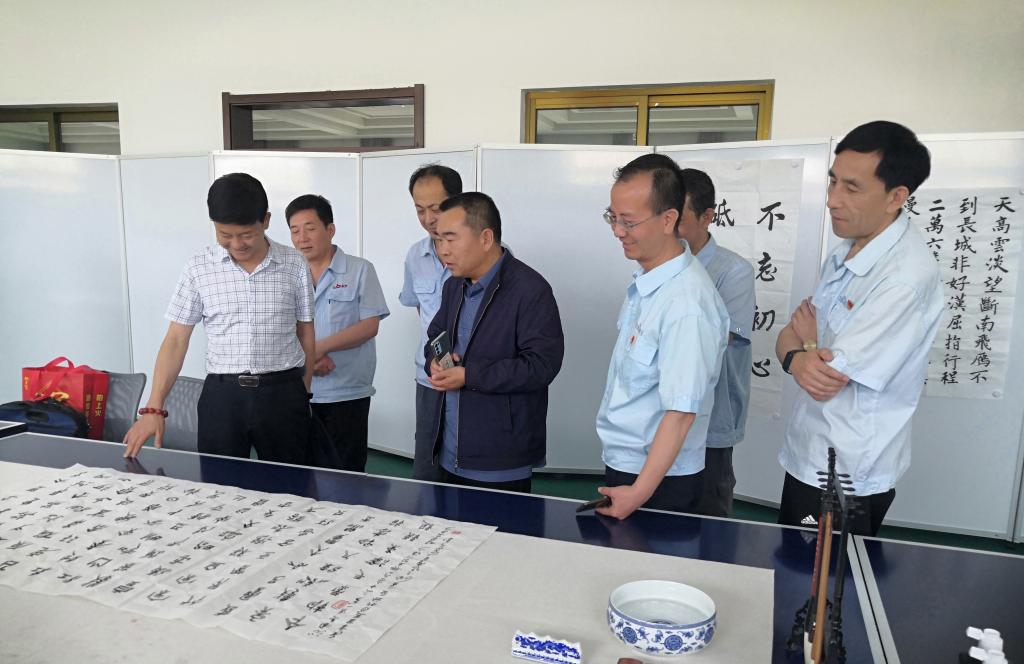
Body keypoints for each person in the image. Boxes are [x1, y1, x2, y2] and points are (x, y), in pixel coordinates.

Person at [775, 120, 941, 536]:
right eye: (833, 182)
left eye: (852, 188)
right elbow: (789, 335)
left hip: (845, 469)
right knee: (790, 564)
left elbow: (823, 378)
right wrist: (802, 352)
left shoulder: (902, 278)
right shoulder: (848, 248)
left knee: (826, 575)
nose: (832, 200)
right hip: (811, 451)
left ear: (896, 197)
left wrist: (803, 349)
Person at [123, 173, 315, 463]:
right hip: (223, 397)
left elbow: (305, 332)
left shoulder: (294, 264)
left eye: (246, 234)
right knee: (217, 482)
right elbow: (176, 340)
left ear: (265, 220)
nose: (236, 244)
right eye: (225, 235)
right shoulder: (199, 266)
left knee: (290, 482)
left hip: (283, 394)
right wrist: (154, 407)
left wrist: (304, 392)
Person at [596, 154, 729, 519]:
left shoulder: (687, 303)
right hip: (630, 464)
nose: (617, 231)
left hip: (660, 481)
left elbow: (681, 412)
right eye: (612, 217)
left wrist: (639, 492)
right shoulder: (650, 283)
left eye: (629, 222)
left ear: (669, 219)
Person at [425, 192, 564, 493]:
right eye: (438, 240)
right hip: (450, 451)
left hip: (501, 458)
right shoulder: (453, 287)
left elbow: (541, 365)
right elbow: (435, 335)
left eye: (451, 239)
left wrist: (470, 375)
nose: (443, 250)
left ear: (486, 238)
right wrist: (434, 362)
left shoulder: (530, 290)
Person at [287, 194, 389, 472]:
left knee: (346, 472)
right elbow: (280, 326)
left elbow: (369, 325)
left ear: (330, 229)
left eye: (310, 228)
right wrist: (307, 359)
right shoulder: (288, 274)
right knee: (301, 472)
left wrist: (317, 349)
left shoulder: (360, 270)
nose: (302, 238)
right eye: (295, 231)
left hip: (347, 392)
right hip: (299, 389)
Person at [678, 168, 756, 517]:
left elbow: (714, 340)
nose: (667, 226)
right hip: (661, 417)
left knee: (709, 522)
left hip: (711, 422)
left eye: (678, 218)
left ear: (707, 216)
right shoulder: (657, 267)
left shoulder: (734, 271)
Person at [399, 165, 463, 481]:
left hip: (472, 377)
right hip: (430, 377)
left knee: (468, 465)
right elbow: (421, 312)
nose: (428, 218)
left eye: (436, 208)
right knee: (427, 465)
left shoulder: (487, 253)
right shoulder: (415, 256)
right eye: (419, 209)